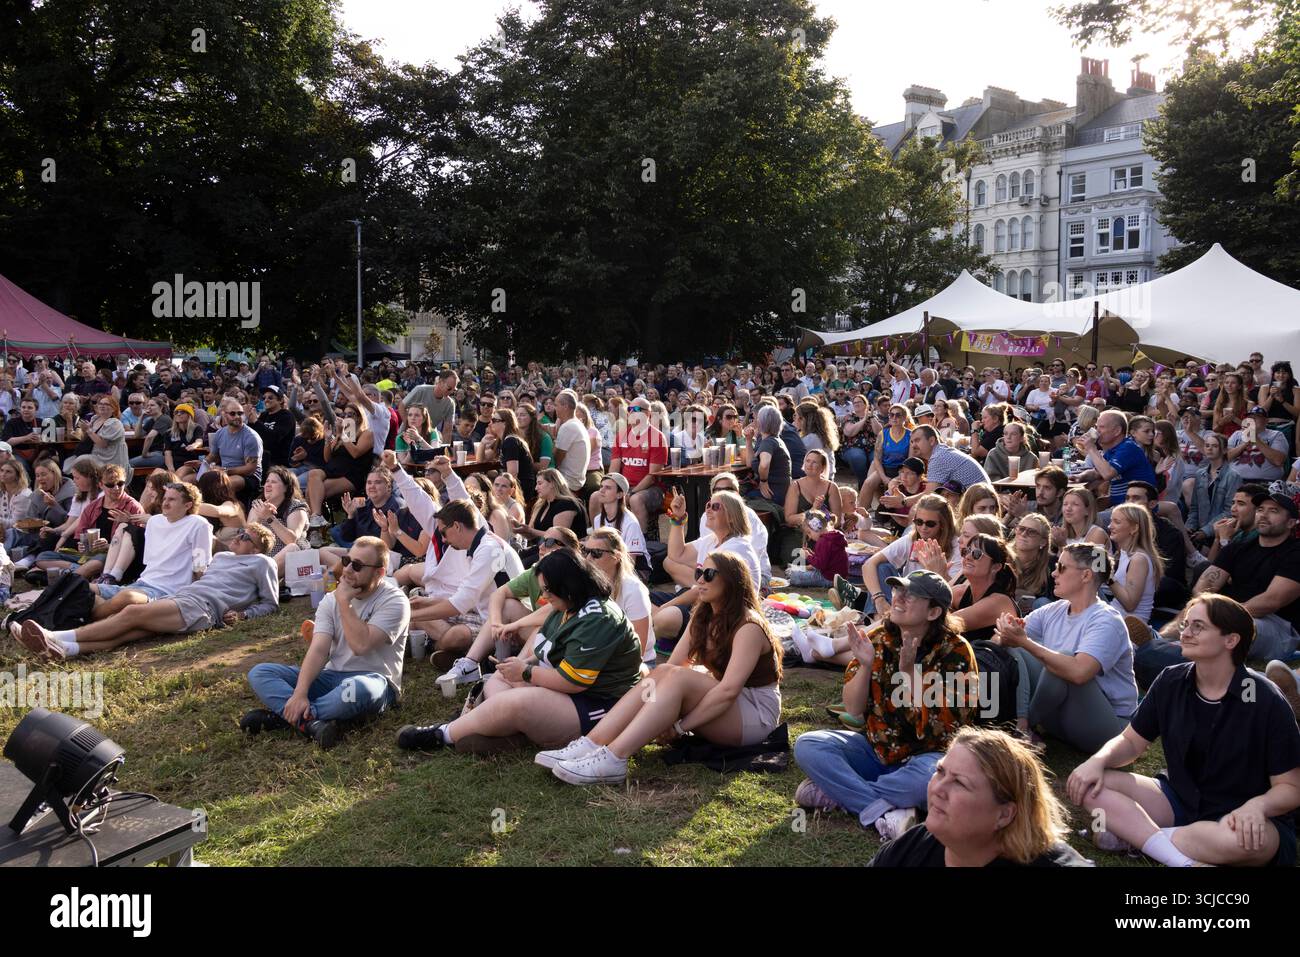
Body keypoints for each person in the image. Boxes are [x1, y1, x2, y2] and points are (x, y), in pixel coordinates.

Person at [1069, 594, 1300, 866]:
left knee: (1242, 842)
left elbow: (1291, 788)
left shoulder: (1264, 697)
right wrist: (1098, 760)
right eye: (1186, 625)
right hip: (1179, 798)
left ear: (1231, 640)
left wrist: (1257, 806)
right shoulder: (1172, 680)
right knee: (1092, 785)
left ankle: (1137, 837)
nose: (1186, 633)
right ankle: (1176, 856)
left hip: (1243, 817)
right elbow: (1131, 743)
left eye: (1198, 627)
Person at [542, 550, 783, 784]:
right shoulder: (704, 615)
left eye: (709, 574)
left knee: (677, 677)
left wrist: (679, 727)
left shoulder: (749, 626)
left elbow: (729, 690)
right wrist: (660, 709)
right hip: (729, 703)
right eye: (699, 572)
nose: (699, 579)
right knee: (663, 672)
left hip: (756, 715)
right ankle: (593, 743)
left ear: (731, 580)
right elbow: (672, 666)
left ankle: (615, 757)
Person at [397, 548, 642, 754]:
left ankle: (443, 734)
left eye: (547, 590)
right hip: (573, 695)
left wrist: (525, 672)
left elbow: (573, 682)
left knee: (515, 701)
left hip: (598, 705)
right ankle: (515, 735)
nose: (543, 597)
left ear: (568, 586)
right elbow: (548, 650)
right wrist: (521, 667)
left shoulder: (597, 618)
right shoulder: (570, 604)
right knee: (498, 680)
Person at [794, 570, 977, 840]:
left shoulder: (956, 652)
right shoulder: (880, 636)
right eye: (897, 590)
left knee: (928, 782)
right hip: (875, 751)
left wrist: (908, 671)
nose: (898, 598)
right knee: (809, 745)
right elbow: (853, 708)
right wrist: (866, 665)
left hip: (928, 758)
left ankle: (840, 791)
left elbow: (940, 731)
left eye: (910, 594)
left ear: (933, 612)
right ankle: (883, 809)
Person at [18, 523, 279, 660]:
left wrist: (245, 616)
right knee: (129, 633)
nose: (240, 536)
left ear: (257, 549)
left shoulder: (262, 563)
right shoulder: (222, 557)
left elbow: (271, 603)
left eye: (247, 537)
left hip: (204, 608)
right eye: (242, 531)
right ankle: (64, 651)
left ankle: (54, 636)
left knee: (131, 612)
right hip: (186, 598)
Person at [243, 536, 409, 750]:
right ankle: (309, 722)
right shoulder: (330, 600)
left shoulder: (394, 601)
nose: (347, 570)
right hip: (332, 678)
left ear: (379, 572)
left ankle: (285, 718)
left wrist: (343, 602)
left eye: (357, 566)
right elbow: (319, 649)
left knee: (357, 690)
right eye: (347, 561)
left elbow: (361, 646)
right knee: (260, 672)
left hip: (374, 681)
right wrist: (300, 693)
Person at [1137, 483, 1300, 681]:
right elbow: (1207, 581)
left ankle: (1166, 651)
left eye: (1273, 511)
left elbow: (1271, 601)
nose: (1263, 515)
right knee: (1196, 609)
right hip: (1227, 612)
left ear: (1291, 523)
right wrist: (1203, 607)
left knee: (1216, 625)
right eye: (1260, 510)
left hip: (1275, 625)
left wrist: (1223, 614)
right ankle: (1159, 640)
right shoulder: (1240, 546)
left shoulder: (1295, 553)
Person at [869, 727, 1091, 867]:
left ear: (1004, 814)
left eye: (959, 782)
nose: (938, 789)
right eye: (940, 771)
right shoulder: (915, 846)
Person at [992, 543, 1138, 753]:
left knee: (1062, 660)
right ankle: (1019, 723)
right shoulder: (1053, 610)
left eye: (1061, 567)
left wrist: (1023, 641)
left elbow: (1079, 673)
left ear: (1086, 575)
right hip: (1063, 719)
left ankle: (1023, 726)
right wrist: (1007, 635)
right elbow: (998, 640)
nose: (1053, 573)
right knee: (1014, 648)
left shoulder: (1107, 620)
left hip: (1107, 729)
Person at [85, 481, 213, 621]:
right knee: (83, 588)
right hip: (142, 583)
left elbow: (200, 566)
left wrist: (200, 598)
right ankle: (102, 619)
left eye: (172, 499)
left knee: (126, 598)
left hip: (167, 591)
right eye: (164, 498)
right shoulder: (155, 522)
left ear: (187, 505)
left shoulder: (198, 524)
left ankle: (87, 622)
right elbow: (149, 562)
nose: (165, 503)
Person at [656, 489, 764, 648]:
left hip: (724, 615)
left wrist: (663, 608)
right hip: (705, 603)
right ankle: (667, 631)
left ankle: (672, 633)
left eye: (715, 507)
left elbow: (699, 589)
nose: (708, 509)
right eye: (708, 505)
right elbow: (676, 554)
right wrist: (678, 519)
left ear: (732, 516)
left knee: (665, 618)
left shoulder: (736, 548)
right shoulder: (712, 540)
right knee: (643, 599)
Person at [305, 402, 373, 527]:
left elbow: (355, 453)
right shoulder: (342, 434)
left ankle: (316, 526)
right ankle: (317, 518)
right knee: (313, 474)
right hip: (332, 470)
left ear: (359, 417)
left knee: (312, 491)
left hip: (352, 474)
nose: (346, 417)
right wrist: (328, 438)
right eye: (344, 414)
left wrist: (343, 434)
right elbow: (327, 458)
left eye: (350, 414)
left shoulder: (366, 434)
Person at [1073, 410, 1157, 508]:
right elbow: (1096, 473)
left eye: (1102, 427)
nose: (1097, 431)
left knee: (1083, 518)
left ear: (1117, 431)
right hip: (1120, 505)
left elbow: (1107, 473)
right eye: (1096, 427)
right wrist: (1080, 476)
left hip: (1136, 510)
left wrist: (1091, 448)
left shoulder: (1128, 448)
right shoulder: (1114, 449)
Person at [609, 397, 668, 532]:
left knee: (635, 499)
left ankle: (640, 544)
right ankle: (602, 537)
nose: (630, 412)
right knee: (597, 496)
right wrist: (611, 487)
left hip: (652, 489)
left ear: (647, 414)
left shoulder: (657, 437)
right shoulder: (622, 435)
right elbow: (614, 469)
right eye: (629, 409)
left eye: (635, 409)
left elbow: (652, 476)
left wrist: (631, 492)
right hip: (625, 486)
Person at [1107, 502, 1163, 623]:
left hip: (1130, 624)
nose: (1109, 526)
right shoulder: (1122, 553)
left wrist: (1108, 576)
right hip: (1114, 613)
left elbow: (1130, 604)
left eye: (1117, 522)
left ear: (1134, 528)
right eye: (1111, 521)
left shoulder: (1139, 559)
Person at [1186, 432, 1241, 550]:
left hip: (1221, 533)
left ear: (1225, 450)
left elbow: (1229, 511)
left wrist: (1205, 531)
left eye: (1215, 446)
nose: (1210, 449)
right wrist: (1189, 527)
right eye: (1207, 445)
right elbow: (1194, 507)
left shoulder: (1233, 476)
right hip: (1199, 532)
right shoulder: (1200, 474)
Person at [202, 399, 264, 500]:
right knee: (193, 480)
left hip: (249, 477)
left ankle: (232, 510)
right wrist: (203, 464)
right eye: (232, 413)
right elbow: (214, 456)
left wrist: (226, 471)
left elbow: (250, 468)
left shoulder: (251, 437)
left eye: (240, 413)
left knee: (221, 486)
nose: (237, 416)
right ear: (224, 415)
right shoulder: (220, 433)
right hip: (225, 472)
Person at [589, 472, 650, 572]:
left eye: (608, 488)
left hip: (636, 570)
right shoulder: (598, 519)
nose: (601, 490)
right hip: (610, 564)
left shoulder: (630, 523)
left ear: (620, 494)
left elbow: (631, 563)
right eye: (601, 486)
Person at [63, 395, 131, 483]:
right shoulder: (95, 419)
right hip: (96, 455)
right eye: (100, 403)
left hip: (109, 459)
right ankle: (78, 487)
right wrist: (85, 431)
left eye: (107, 404)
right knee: (72, 460)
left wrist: (88, 430)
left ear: (114, 408)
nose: (102, 406)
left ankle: (79, 486)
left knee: (81, 461)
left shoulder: (115, 423)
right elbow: (88, 439)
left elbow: (103, 444)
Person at [908, 425, 990, 494]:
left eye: (917, 440)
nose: (913, 445)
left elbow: (929, 495)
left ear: (932, 441)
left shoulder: (938, 457)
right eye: (911, 442)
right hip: (980, 498)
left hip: (980, 502)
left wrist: (903, 502)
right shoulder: (941, 452)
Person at [1226, 406, 1288, 483]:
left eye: (1256, 417)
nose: (1252, 420)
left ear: (1266, 421)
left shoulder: (1276, 435)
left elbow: (1278, 461)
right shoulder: (1237, 434)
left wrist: (1256, 439)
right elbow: (1225, 458)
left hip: (1264, 482)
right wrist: (1244, 444)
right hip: (1235, 481)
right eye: (1250, 417)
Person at [551, 389, 592, 496]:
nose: (555, 408)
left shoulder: (569, 426)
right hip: (574, 480)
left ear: (565, 406)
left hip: (568, 483)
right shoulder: (575, 424)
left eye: (556, 405)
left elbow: (556, 460)